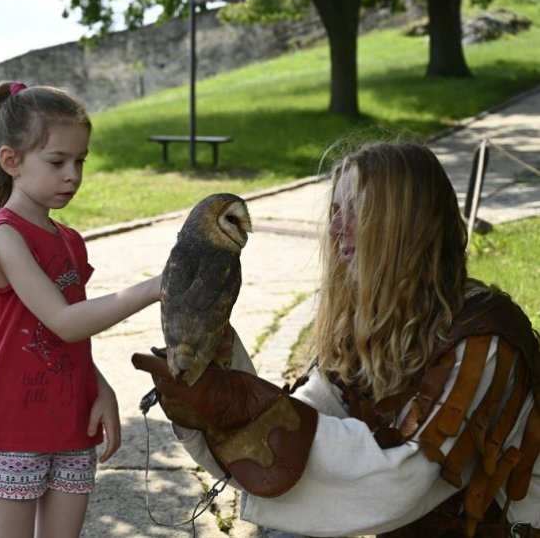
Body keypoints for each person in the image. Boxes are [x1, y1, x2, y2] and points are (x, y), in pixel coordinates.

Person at [134, 141, 539, 537]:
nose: (334, 228)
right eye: (335, 211)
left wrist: (238, 401)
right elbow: (307, 417)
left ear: (406, 227)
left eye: (355, 211)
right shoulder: (375, 322)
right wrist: (222, 379)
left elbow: (399, 481)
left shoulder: (484, 341)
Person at [0, 80, 163, 538]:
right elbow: (65, 322)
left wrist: (101, 388)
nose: (72, 175)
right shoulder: (5, 236)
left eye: (80, 161)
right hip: (12, 430)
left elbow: (68, 340)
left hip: (71, 424)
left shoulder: (70, 240)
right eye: (57, 162)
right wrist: (156, 287)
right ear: (11, 160)